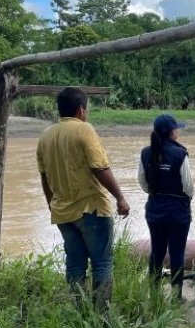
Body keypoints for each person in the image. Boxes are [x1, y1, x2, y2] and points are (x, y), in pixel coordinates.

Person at [36, 87, 130, 311]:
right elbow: (100, 167)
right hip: (92, 209)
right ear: (81, 110)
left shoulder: (45, 136)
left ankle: (80, 312)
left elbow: (44, 177)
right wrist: (120, 198)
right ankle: (102, 316)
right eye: (86, 109)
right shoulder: (84, 130)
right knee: (102, 263)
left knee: (75, 264)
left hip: (62, 212)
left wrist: (52, 204)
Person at [138, 114, 194, 302]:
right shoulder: (180, 153)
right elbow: (188, 187)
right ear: (172, 133)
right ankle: (176, 296)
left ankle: (154, 293)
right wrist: (185, 202)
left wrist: (157, 195)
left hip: (155, 208)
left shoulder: (145, 152)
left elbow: (143, 183)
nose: (178, 130)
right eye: (177, 128)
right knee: (177, 252)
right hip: (178, 210)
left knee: (157, 251)